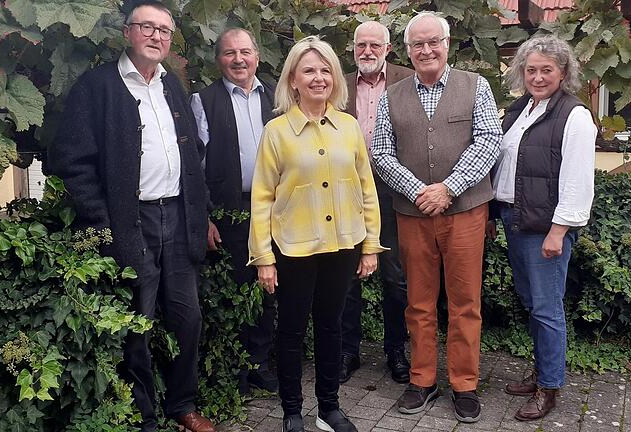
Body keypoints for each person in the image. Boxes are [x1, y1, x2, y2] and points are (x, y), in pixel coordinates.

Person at [48, 2, 215, 431]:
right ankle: (143, 417)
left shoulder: (171, 86)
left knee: (187, 317)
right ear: (127, 33)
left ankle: (182, 405)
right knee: (137, 323)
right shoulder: (98, 87)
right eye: (147, 27)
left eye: (164, 30)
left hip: (177, 217)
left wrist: (202, 212)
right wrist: (102, 218)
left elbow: (192, 152)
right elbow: (73, 160)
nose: (157, 36)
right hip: (131, 221)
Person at [247, 36, 386, 432]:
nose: (319, 77)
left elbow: (365, 188)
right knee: (290, 331)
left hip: (343, 244)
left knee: (332, 327)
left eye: (326, 69)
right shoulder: (276, 132)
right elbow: (261, 198)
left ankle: (329, 408)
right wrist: (264, 258)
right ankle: (292, 411)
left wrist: (371, 245)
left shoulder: (349, 127)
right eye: (309, 70)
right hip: (293, 249)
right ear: (293, 79)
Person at [371, 11, 502, 423]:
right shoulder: (392, 95)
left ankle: (464, 384)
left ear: (447, 44)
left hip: (464, 212)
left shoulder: (475, 86)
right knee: (419, 302)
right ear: (407, 51)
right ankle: (422, 379)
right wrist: (417, 190)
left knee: (465, 302)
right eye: (417, 44)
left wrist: (449, 188)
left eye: (433, 42)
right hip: (412, 215)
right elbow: (380, 151)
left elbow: (489, 140)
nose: (425, 50)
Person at [490, 34, 596, 421]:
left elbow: (577, 179)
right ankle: (540, 375)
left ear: (564, 72)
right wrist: (491, 216)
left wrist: (559, 230)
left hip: (544, 228)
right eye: (531, 70)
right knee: (534, 304)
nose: (537, 77)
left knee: (547, 309)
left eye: (546, 70)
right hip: (514, 219)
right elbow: (503, 167)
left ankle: (549, 387)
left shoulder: (574, 115)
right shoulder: (522, 110)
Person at [190, 27, 278, 394]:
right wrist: (205, 215)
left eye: (245, 51)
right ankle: (234, 370)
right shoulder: (203, 100)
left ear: (257, 55)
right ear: (218, 60)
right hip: (229, 211)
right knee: (233, 289)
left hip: (275, 209)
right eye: (229, 53)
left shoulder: (277, 98)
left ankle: (259, 363)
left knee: (269, 288)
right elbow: (194, 165)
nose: (238, 59)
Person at [340, 20, 414, 384]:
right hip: (346, 191)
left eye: (375, 45)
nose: (367, 52)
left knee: (395, 277)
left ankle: (396, 350)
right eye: (361, 45)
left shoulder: (407, 79)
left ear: (388, 49)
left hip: (392, 190)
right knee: (346, 273)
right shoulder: (338, 83)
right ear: (353, 49)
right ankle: (347, 351)